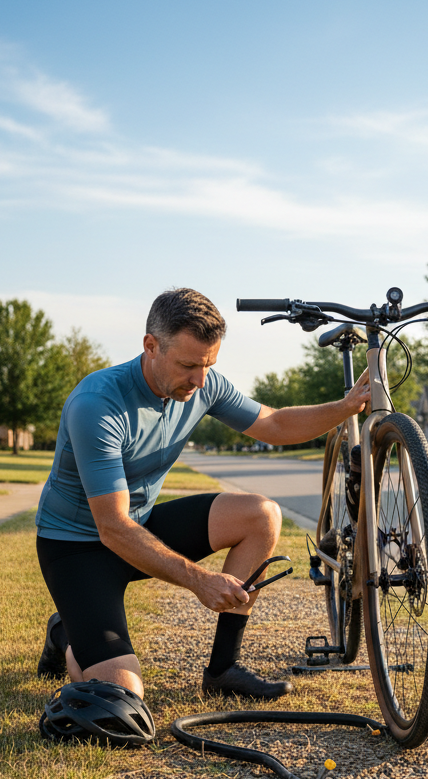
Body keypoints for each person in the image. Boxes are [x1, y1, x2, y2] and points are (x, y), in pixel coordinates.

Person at [35, 287, 370, 705]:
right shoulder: (97, 404)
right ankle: (65, 633)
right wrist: (200, 581)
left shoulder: (204, 385)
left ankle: (224, 669)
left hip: (139, 526)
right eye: (189, 364)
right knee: (119, 696)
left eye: (208, 365)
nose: (199, 379)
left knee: (260, 514)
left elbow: (276, 425)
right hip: (77, 546)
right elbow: (112, 528)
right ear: (150, 346)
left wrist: (346, 407)